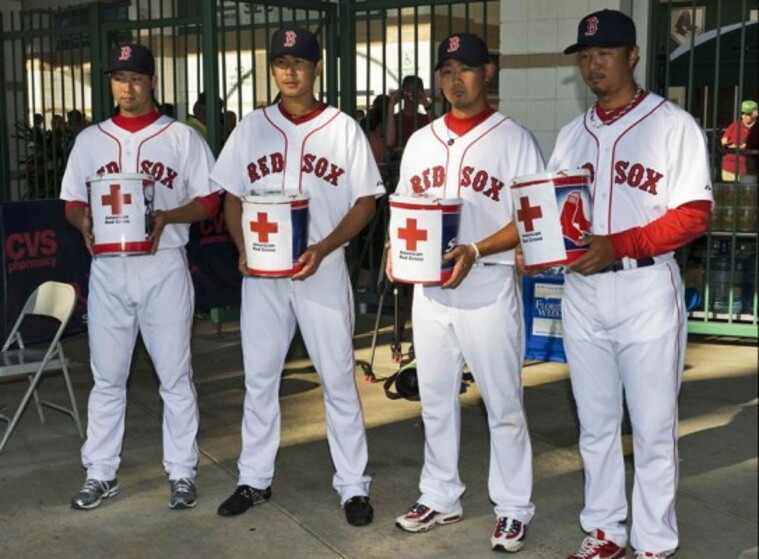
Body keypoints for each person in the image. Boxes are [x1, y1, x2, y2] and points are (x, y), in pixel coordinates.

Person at [548, 10, 713, 559]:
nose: (593, 64)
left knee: (652, 429)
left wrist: (619, 243)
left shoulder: (673, 125)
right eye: (586, 55)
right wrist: (537, 248)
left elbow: (693, 215)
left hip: (644, 289)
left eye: (605, 53)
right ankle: (604, 531)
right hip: (583, 292)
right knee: (594, 425)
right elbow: (553, 212)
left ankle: (654, 542)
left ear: (633, 55)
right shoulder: (571, 134)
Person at [209, 25, 384, 527]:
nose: (289, 72)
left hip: (320, 270)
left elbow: (366, 202)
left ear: (317, 67)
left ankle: (353, 485)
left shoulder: (342, 128)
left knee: (338, 379)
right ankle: (253, 478)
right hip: (263, 275)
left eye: (299, 62)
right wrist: (243, 247)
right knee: (260, 379)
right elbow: (231, 197)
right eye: (281, 63)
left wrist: (325, 247)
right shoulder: (252, 127)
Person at [388, 33, 544, 553]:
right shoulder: (421, 141)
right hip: (431, 291)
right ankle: (440, 495)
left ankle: (513, 507)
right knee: (434, 400)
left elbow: (532, 216)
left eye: (467, 69)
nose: (456, 80)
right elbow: (404, 207)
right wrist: (393, 248)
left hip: (488, 283)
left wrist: (477, 248)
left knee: (503, 403)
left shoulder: (513, 138)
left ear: (489, 72)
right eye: (447, 70)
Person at [60, 43, 220, 511]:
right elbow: (72, 200)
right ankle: (100, 472)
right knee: (107, 378)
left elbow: (209, 201)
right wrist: (80, 220)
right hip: (109, 268)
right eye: (119, 78)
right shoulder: (90, 140)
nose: (127, 88)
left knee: (175, 376)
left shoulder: (181, 137)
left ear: (152, 81)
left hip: (163, 264)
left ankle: (182, 471)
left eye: (135, 78)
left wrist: (169, 217)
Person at [386, 75, 433, 151]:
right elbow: (389, 143)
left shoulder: (425, 118)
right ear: (402, 93)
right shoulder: (394, 119)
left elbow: (438, 131)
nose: (411, 95)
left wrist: (426, 104)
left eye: (415, 91)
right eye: (407, 91)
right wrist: (391, 105)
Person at [721, 99, 758, 181]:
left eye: (748, 114)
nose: (744, 116)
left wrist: (740, 146)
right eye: (742, 113)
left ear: (755, 114)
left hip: (747, 170)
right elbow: (724, 139)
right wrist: (726, 144)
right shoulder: (735, 125)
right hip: (728, 168)